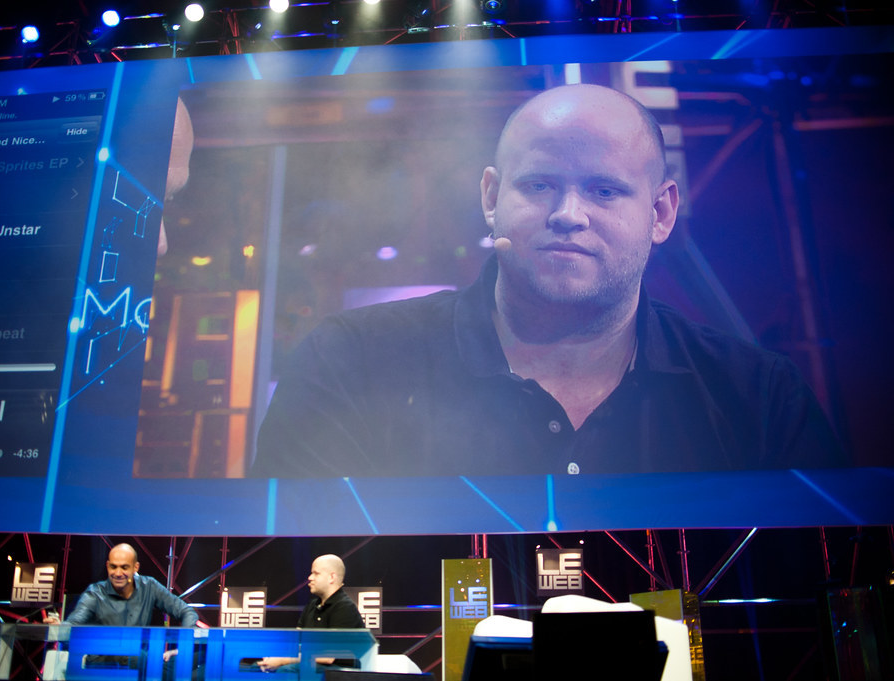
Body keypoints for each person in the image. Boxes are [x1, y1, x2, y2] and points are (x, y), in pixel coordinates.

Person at [251, 83, 844, 478]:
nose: (567, 214)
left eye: (604, 190)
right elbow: (291, 584)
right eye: (539, 185)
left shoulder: (760, 400)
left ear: (661, 213)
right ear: (491, 197)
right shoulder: (350, 363)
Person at [42, 543, 198, 627]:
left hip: (137, 663)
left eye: (124, 567)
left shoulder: (149, 586)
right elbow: (75, 621)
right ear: (107, 565)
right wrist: (61, 628)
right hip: (101, 663)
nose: (117, 573)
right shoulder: (95, 593)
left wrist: (182, 645)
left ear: (135, 568)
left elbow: (187, 612)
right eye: (113, 567)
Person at [257, 554, 365, 672]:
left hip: (337, 672)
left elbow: (329, 657)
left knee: (287, 670)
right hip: (309, 665)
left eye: (316, 573)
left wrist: (283, 660)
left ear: (331, 577)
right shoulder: (312, 606)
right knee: (256, 668)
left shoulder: (345, 607)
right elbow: (297, 642)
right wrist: (275, 656)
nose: (310, 577)